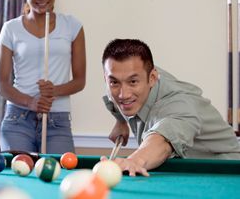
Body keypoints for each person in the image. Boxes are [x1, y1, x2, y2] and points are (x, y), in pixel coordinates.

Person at [102, 39, 240, 176]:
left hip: (227, 171)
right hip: (183, 172)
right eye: (114, 82)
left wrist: (135, 160)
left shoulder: (179, 105)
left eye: (133, 82)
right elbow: (112, 96)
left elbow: (161, 140)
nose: (123, 94)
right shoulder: (125, 77)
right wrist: (120, 122)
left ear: (152, 78)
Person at [0, 0, 86, 153]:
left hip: (57, 119)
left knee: (61, 175)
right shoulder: (11, 28)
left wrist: (54, 91)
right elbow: (1, 84)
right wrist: (30, 102)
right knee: (19, 176)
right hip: (17, 118)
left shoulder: (72, 26)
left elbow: (80, 80)